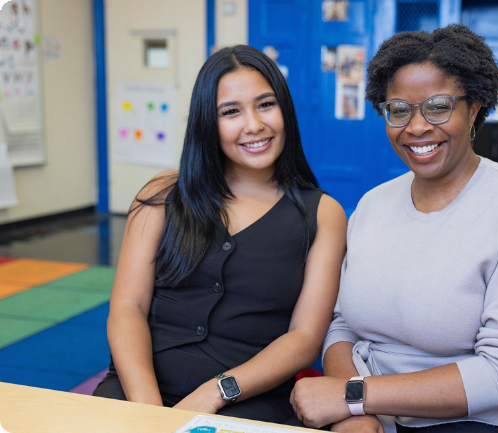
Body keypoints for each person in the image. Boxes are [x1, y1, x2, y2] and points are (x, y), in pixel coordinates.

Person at [290, 25, 498, 432]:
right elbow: (343, 324)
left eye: (438, 107)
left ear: (473, 109)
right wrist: (356, 411)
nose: (417, 127)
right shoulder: (372, 205)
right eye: (399, 110)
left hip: (481, 420)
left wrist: (354, 396)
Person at [93, 45, 347, 425]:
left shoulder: (323, 214)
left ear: (285, 110)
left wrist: (215, 393)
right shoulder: (161, 195)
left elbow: (305, 337)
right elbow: (128, 308)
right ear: (207, 123)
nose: (254, 125)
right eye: (231, 112)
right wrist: (150, 412)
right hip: (138, 389)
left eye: (265, 105)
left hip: (249, 397)